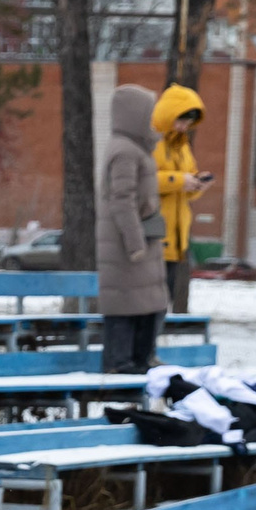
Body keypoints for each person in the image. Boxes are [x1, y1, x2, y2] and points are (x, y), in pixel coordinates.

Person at [99, 83, 169, 371]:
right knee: (125, 304)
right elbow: (122, 200)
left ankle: (142, 358)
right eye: (147, 113)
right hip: (126, 247)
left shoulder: (137, 148)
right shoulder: (124, 151)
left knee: (150, 302)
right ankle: (122, 362)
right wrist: (135, 242)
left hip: (144, 240)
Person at [150, 85, 212, 315]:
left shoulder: (182, 146)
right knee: (150, 305)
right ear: (169, 114)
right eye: (181, 120)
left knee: (162, 304)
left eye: (188, 123)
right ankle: (146, 349)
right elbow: (141, 179)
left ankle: (152, 348)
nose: (184, 127)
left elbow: (185, 189)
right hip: (153, 237)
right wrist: (179, 181)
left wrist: (197, 184)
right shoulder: (151, 141)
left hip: (175, 242)